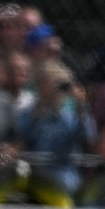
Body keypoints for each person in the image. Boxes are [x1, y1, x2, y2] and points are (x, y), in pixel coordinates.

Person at [18, 64, 95, 193]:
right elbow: (22, 140)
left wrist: (81, 107)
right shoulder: (27, 115)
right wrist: (40, 112)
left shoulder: (74, 116)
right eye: (55, 84)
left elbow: (89, 139)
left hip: (67, 177)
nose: (59, 90)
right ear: (41, 86)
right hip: (36, 177)